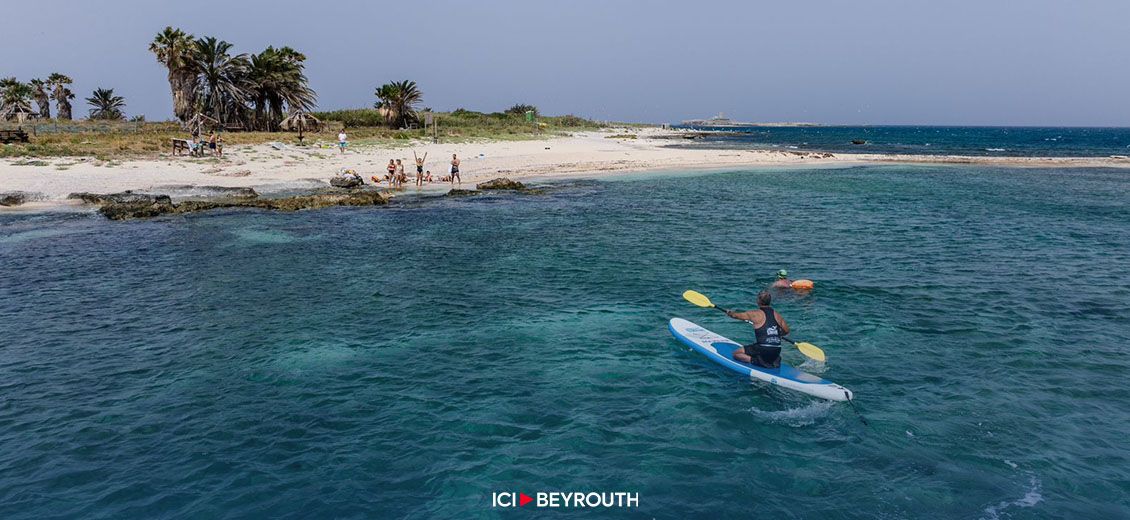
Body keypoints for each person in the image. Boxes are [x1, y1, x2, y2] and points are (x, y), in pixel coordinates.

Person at [725, 291, 790, 368]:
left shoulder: (755, 314)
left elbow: (737, 316)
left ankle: (756, 361)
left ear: (758, 301)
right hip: (777, 350)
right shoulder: (777, 315)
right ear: (770, 301)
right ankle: (773, 360)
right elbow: (786, 331)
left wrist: (730, 313)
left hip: (763, 348)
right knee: (763, 349)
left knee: (736, 354)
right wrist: (777, 335)